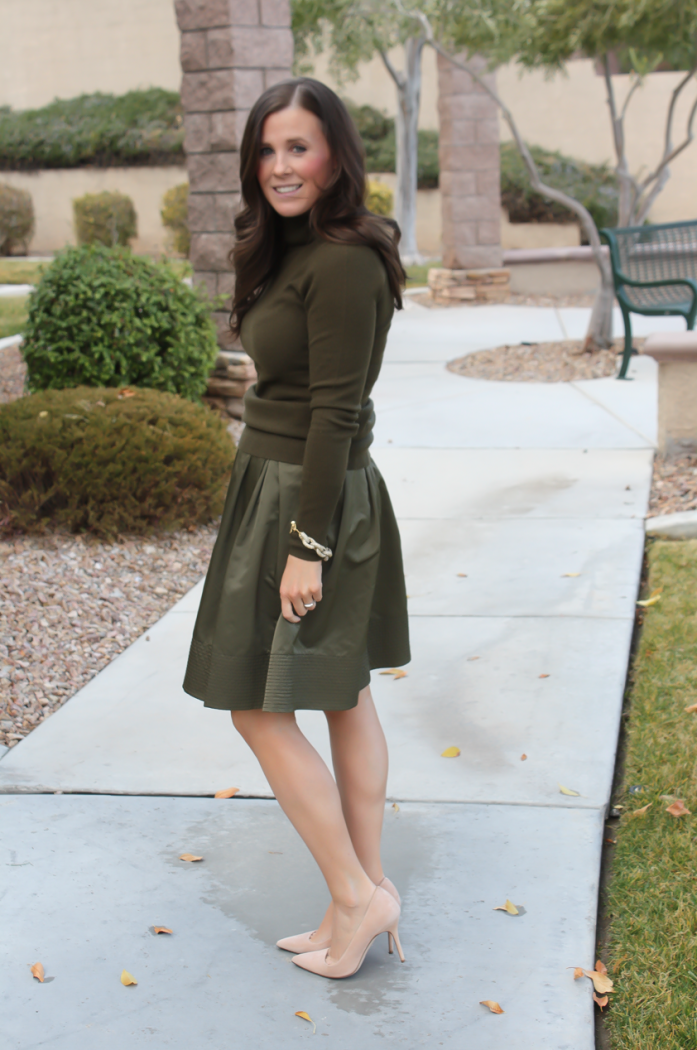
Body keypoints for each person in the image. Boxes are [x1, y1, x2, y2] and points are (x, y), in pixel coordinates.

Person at [183, 77, 410, 980]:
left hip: (308, 498)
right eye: (268, 149)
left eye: (299, 147)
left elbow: (334, 412)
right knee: (343, 695)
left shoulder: (348, 260)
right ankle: (356, 896)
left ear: (334, 156)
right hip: (282, 487)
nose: (281, 165)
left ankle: (357, 897)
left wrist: (303, 545)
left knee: (258, 704)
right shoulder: (288, 250)